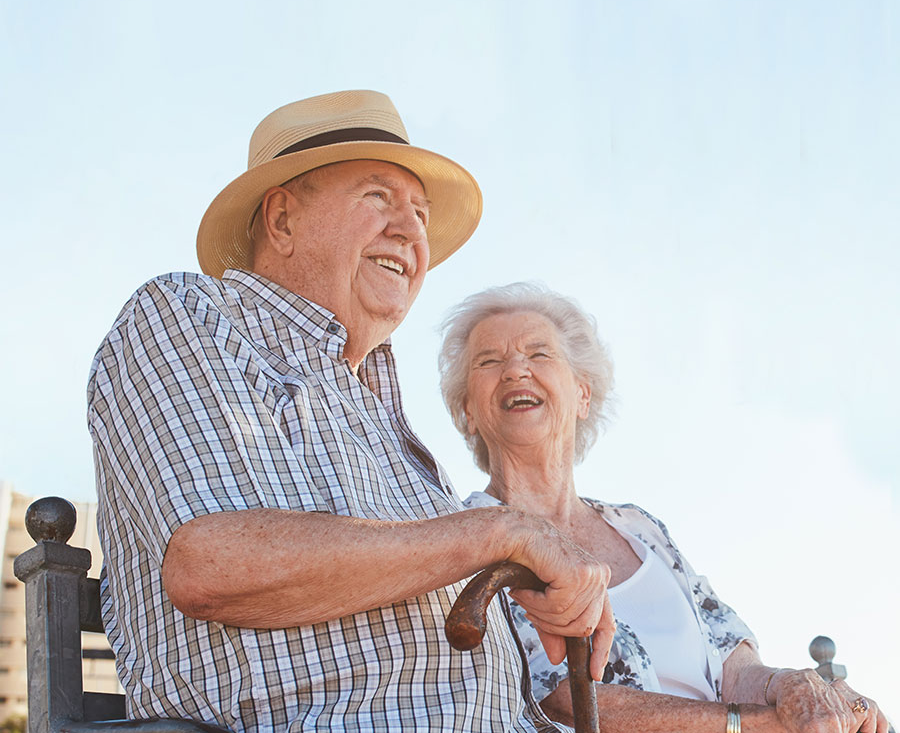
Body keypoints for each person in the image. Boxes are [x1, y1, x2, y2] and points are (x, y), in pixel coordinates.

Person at [87, 91, 615, 733]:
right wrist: (503, 534)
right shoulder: (191, 317)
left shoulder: (379, 409)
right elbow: (210, 562)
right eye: (378, 198)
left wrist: (529, 569)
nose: (412, 231)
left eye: (420, 213)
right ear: (281, 220)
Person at [438, 282, 889, 733]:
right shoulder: (471, 537)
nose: (516, 368)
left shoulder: (640, 527)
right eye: (490, 361)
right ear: (468, 412)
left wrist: (798, 693)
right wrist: (748, 727)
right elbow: (556, 697)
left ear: (583, 395)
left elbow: (734, 661)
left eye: (539, 354)